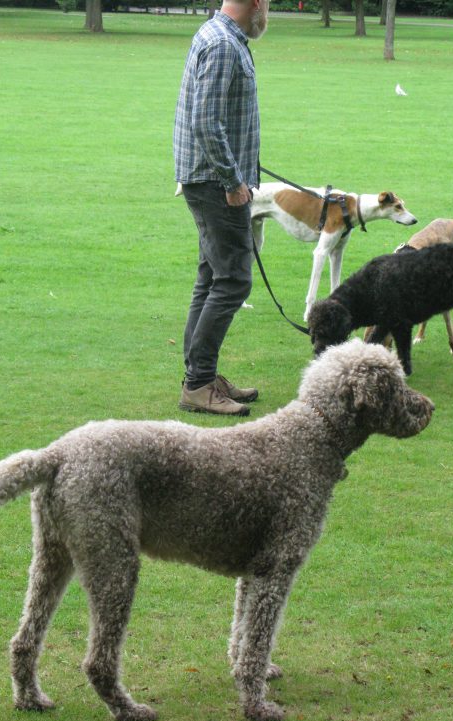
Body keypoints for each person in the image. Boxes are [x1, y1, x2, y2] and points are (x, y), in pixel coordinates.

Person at [173, 0, 269, 416]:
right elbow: (206, 121)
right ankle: (198, 384)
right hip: (216, 183)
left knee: (211, 277)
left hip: (212, 177)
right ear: (255, 2)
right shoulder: (224, 44)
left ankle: (203, 376)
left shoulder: (221, 35)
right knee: (232, 280)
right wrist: (233, 181)